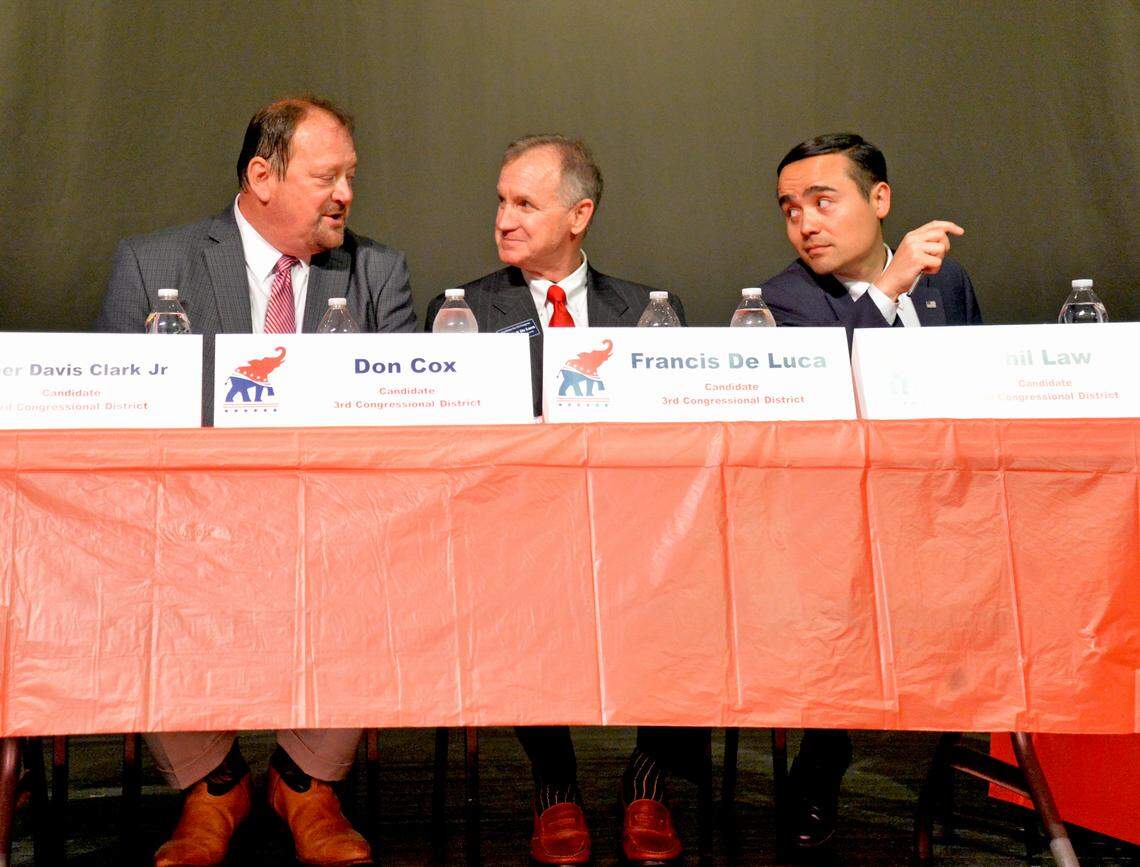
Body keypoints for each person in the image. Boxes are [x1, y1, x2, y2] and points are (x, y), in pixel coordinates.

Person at [95, 95, 415, 867]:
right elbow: (111, 416)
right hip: (191, 519)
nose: (346, 193)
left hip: (333, 517)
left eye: (351, 177)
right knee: (125, 553)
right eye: (327, 176)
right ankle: (212, 782)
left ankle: (306, 780)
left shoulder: (376, 273)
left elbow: (410, 425)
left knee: (393, 548)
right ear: (262, 176)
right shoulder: (153, 264)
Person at [426, 134, 695, 865]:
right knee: (511, 586)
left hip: (633, 529)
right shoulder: (464, 311)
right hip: (515, 531)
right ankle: (555, 785)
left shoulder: (647, 309)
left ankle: (649, 779)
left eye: (524, 203)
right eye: (500, 201)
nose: (503, 219)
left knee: (695, 575)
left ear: (579, 216)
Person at [759, 132, 982, 849]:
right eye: (791, 209)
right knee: (846, 590)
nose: (806, 224)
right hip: (840, 519)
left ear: (880, 199)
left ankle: (960, 760)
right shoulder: (783, 299)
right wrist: (887, 292)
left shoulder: (948, 283)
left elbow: (980, 388)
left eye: (823, 201)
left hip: (944, 502)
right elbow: (827, 389)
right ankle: (821, 762)